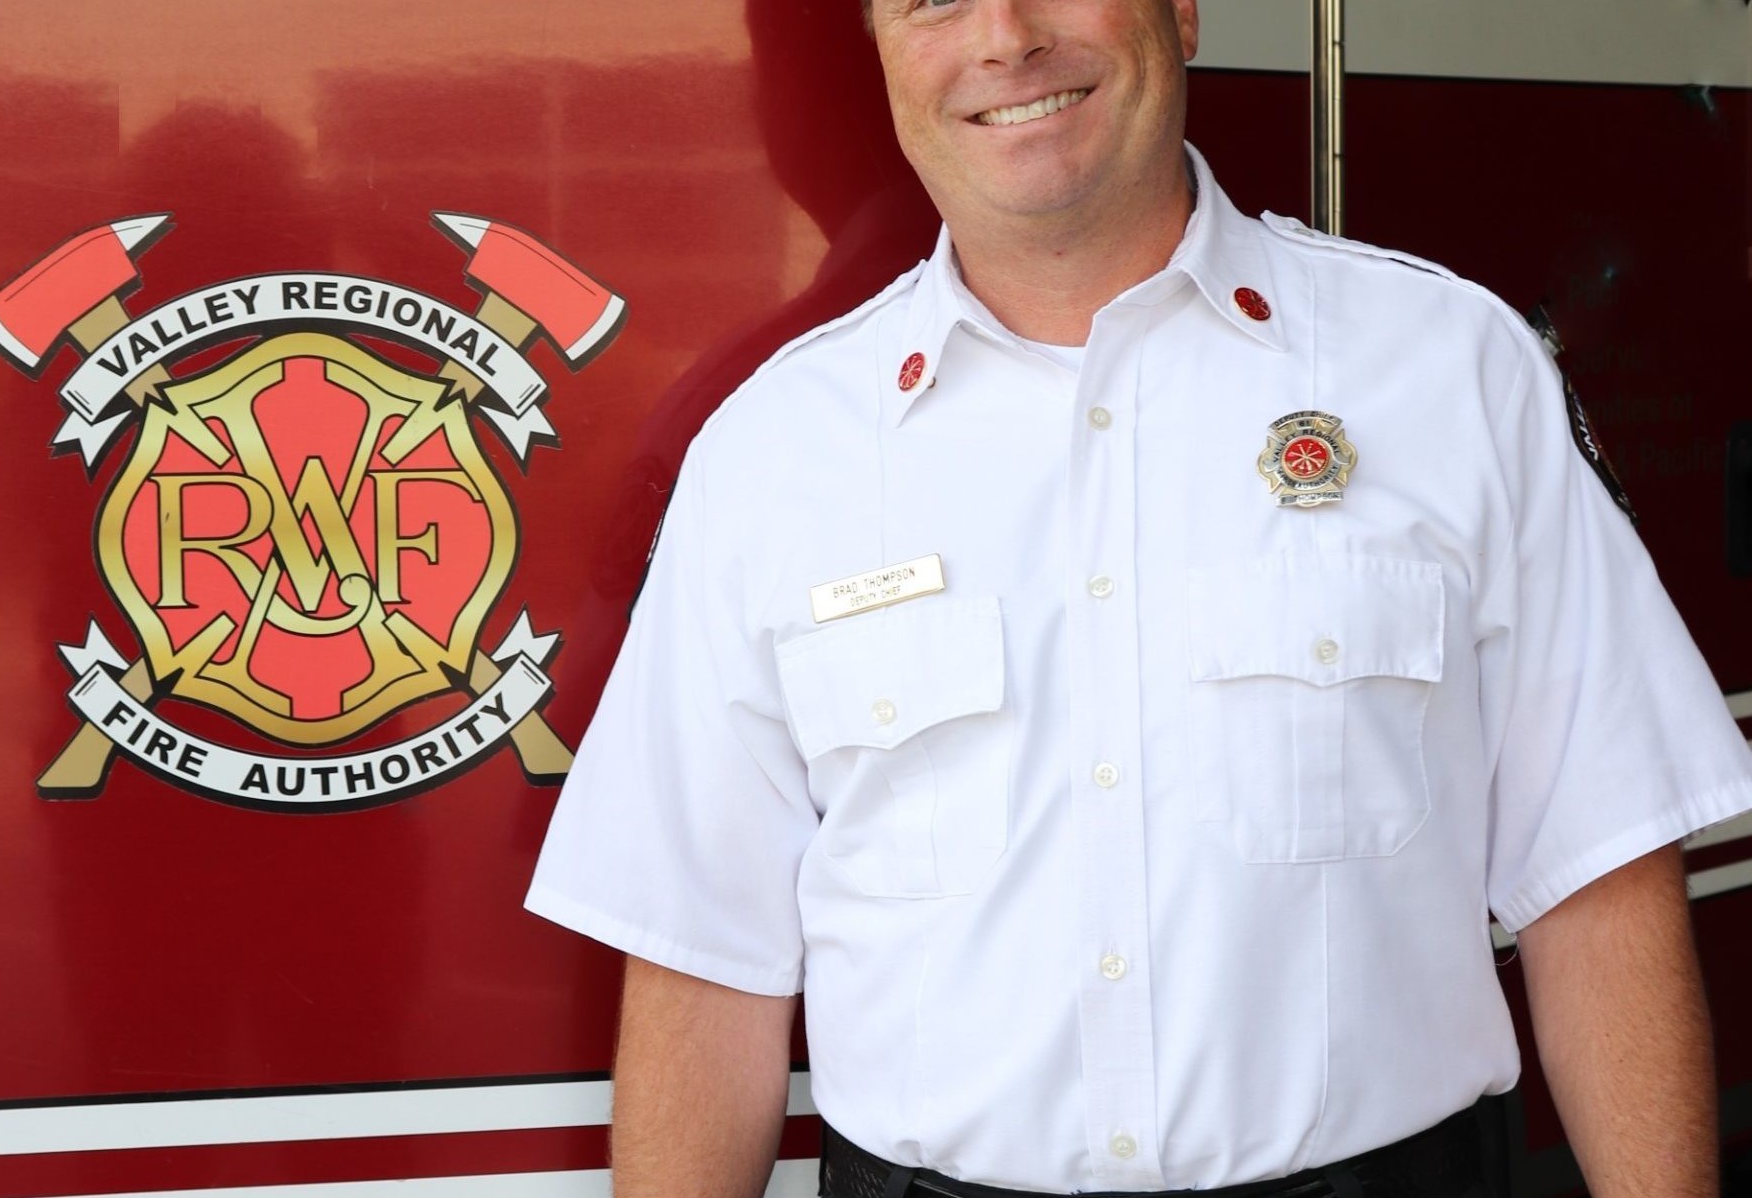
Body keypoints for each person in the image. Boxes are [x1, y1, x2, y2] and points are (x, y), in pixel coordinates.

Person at [526, 2, 1752, 1195]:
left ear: (1183, 11)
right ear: (881, 53)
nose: (1005, 39)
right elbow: (704, 972)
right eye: (933, 1)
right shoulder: (773, 454)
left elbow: (1599, 884)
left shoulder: (1453, 368)